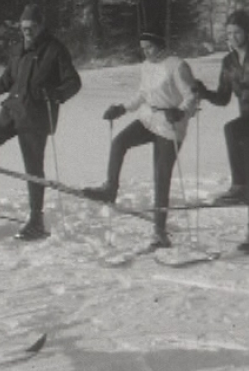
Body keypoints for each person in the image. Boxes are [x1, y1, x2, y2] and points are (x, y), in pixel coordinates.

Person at [0, 4, 81, 240]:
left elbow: (74, 82)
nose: (27, 30)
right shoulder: (18, 49)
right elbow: (6, 80)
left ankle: (36, 220)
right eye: (24, 26)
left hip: (36, 117)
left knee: (33, 168)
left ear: (40, 26)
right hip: (12, 110)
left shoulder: (55, 50)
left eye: (32, 26)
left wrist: (56, 95)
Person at [83, 32, 198, 250]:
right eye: (143, 48)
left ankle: (160, 233)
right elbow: (142, 95)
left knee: (161, 176)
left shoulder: (177, 65)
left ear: (160, 45)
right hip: (148, 119)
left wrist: (181, 112)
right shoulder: (146, 65)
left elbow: (192, 96)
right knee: (119, 143)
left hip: (169, 125)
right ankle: (110, 188)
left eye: (150, 48)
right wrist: (122, 108)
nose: (146, 52)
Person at [192, 10, 249, 253]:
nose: (232, 37)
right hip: (247, 120)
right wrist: (203, 91)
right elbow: (222, 98)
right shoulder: (228, 62)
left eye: (237, 32)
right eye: (229, 33)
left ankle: (238, 186)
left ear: (247, 32)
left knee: (231, 129)